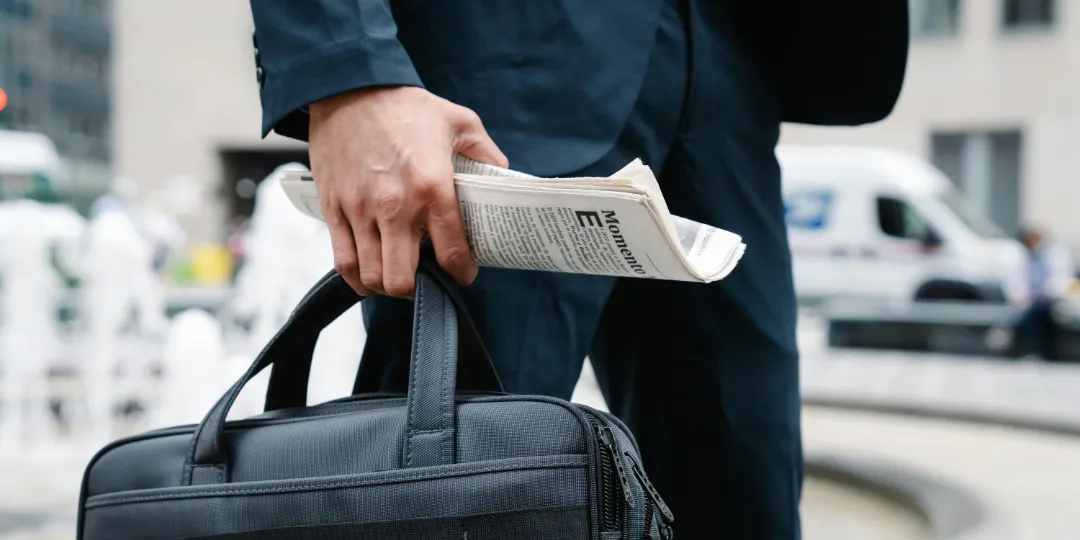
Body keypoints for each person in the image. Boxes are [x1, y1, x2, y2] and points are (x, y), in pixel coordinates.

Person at [249, 1, 909, 537]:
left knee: (747, 484)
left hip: (728, 60)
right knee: (452, 493)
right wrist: (345, 69)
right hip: (502, 56)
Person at [1016, 227, 1075, 360]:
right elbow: (1021, 279)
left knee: (1039, 315)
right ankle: (1035, 351)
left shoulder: (1055, 252)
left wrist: (1045, 294)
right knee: (1034, 314)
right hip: (1036, 300)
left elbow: (1060, 279)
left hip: (1054, 298)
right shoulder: (1030, 255)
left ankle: (1041, 352)